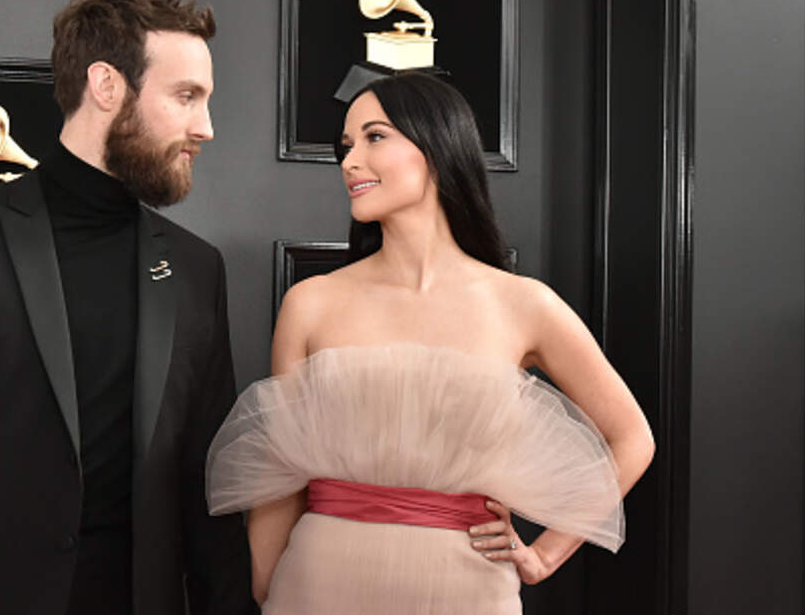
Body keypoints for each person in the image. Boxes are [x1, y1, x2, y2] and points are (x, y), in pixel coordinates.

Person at [0, 0, 254, 615]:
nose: (205, 126)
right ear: (106, 85)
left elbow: (207, 481)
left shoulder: (196, 269)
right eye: (186, 96)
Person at [206, 72, 656, 614]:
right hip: (317, 583)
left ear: (438, 147)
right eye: (346, 146)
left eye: (374, 137)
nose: (349, 162)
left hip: (468, 589)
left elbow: (633, 438)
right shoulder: (311, 303)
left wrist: (544, 556)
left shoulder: (524, 304)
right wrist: (265, 590)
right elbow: (281, 475)